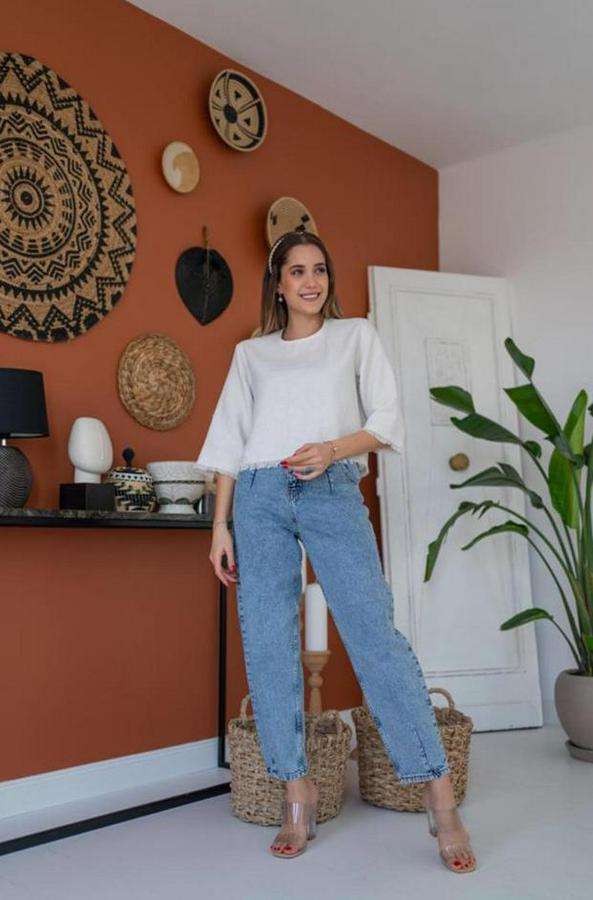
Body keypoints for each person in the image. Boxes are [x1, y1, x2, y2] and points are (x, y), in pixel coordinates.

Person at [194, 231, 476, 872]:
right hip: (259, 495)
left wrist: (331, 449)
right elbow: (229, 442)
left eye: (319, 269)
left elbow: (385, 419)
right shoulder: (250, 354)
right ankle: (297, 792)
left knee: (374, 635)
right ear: (278, 283)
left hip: (330, 488)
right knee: (268, 641)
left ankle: (438, 792)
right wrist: (220, 527)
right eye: (296, 271)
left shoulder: (355, 337)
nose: (310, 281)